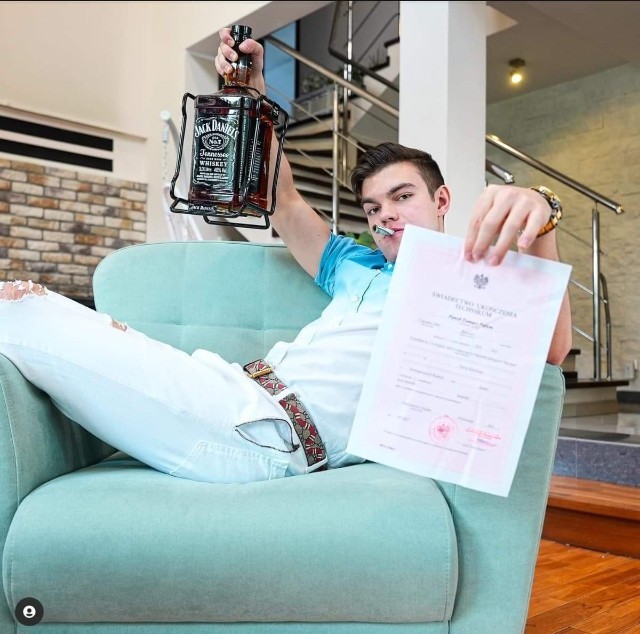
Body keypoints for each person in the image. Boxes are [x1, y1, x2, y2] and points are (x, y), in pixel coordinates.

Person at [0, 29, 571, 486]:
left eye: (402, 198)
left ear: (442, 200)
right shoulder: (355, 266)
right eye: (373, 207)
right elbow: (284, 199)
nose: (385, 217)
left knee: (21, 310)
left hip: (269, 437)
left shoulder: (467, 283)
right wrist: (252, 99)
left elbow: (550, 349)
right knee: (33, 312)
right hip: (233, 393)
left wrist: (542, 211)